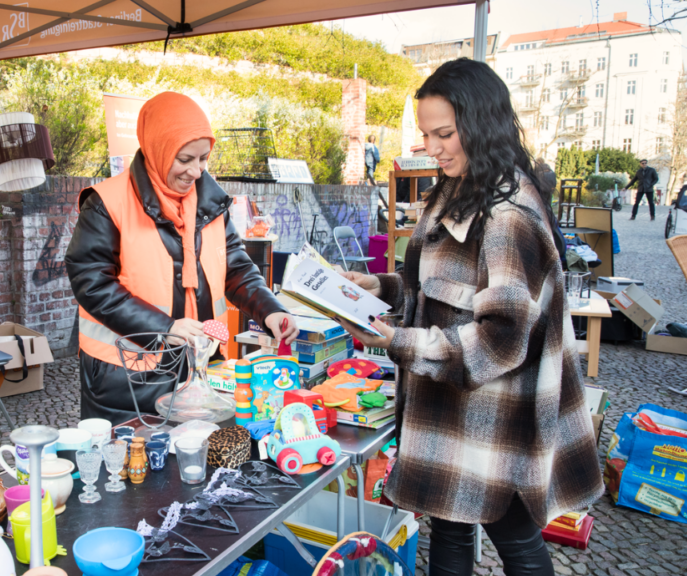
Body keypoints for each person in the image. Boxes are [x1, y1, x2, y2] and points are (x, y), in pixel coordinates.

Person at [339, 58, 603, 576]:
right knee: (451, 531)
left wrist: (400, 342)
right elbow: (449, 290)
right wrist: (384, 287)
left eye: (444, 133)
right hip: (451, 409)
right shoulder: (462, 187)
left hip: (494, 417)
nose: (432, 148)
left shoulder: (507, 215)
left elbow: (502, 339)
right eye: (425, 134)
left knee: (517, 541)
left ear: (481, 126)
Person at [65, 92, 298, 423]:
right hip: (127, 378)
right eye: (185, 159)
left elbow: (237, 269)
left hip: (199, 368)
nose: (197, 171)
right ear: (157, 150)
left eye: (204, 158)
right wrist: (164, 328)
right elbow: (92, 284)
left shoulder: (211, 203)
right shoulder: (106, 203)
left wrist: (270, 310)